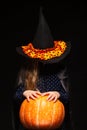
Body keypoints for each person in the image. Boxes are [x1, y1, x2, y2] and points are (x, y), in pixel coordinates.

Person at [12, 7, 74, 130]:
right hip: (30, 124)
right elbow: (16, 96)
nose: (44, 62)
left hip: (55, 124)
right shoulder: (27, 71)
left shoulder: (60, 71)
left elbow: (67, 97)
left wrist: (58, 94)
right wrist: (25, 92)